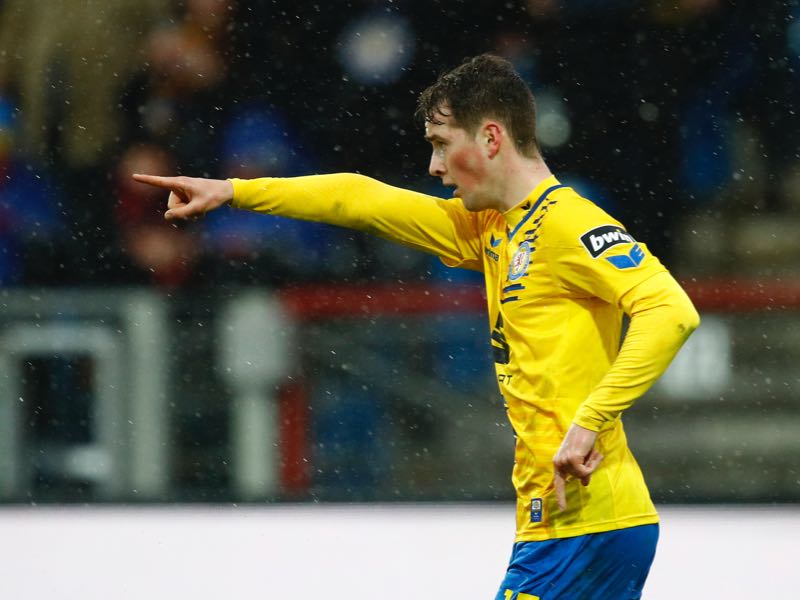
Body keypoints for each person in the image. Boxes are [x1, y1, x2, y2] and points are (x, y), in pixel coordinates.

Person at [133, 54, 700, 600]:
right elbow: (361, 197)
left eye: (441, 145)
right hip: (568, 520)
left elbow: (671, 310)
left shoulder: (569, 223)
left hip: (585, 520)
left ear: (492, 138)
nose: (433, 167)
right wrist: (235, 192)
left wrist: (590, 421)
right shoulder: (489, 228)